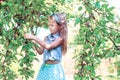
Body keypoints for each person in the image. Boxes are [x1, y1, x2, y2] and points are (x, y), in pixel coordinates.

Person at [24, 12, 68, 80]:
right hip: (45, 67)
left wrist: (34, 37)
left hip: (55, 68)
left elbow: (48, 46)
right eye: (49, 25)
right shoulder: (46, 38)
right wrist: (33, 42)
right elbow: (40, 51)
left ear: (59, 27)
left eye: (52, 25)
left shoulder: (60, 39)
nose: (49, 27)